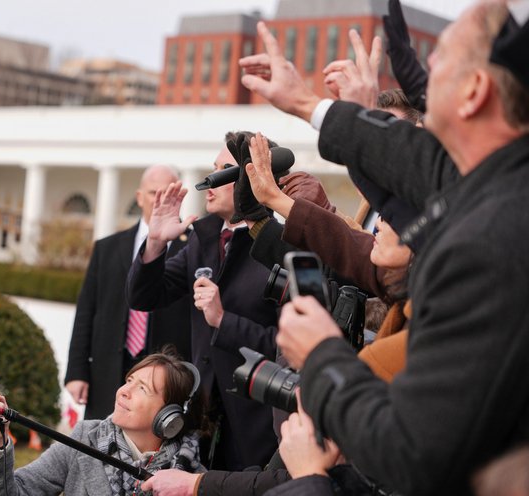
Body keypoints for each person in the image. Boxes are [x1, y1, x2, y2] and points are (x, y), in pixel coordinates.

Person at [239, 1, 529, 493]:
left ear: (475, 91)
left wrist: (323, 355)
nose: (425, 69)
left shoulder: (489, 244)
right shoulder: (500, 180)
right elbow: (413, 164)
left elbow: (412, 452)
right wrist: (312, 105)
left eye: (442, 58)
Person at [127, 132, 281, 471]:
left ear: (252, 178)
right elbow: (144, 296)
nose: (209, 180)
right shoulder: (204, 235)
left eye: (224, 170)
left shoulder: (281, 246)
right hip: (201, 422)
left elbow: (289, 346)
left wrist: (224, 320)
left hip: (256, 429)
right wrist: (154, 243)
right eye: (212, 168)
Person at [0, 352, 206, 495]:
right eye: (129, 381)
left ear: (169, 417)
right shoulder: (83, 437)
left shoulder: (191, 478)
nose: (124, 391)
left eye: (142, 388)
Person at [65, 165, 192, 420]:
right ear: (139, 197)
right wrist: (76, 371)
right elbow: (87, 310)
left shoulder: (193, 248)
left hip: (163, 375)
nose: (160, 200)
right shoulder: (107, 248)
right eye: (154, 193)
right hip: (108, 368)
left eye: (167, 193)